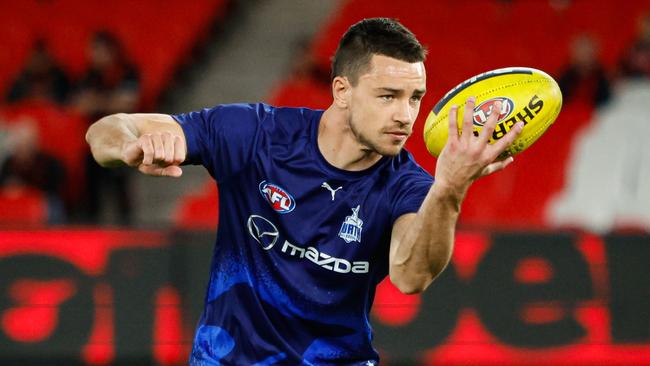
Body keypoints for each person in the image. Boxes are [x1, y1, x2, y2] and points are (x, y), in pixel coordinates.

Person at [86, 18, 522, 365]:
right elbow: (105, 130)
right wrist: (130, 146)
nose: (406, 116)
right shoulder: (256, 134)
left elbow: (411, 278)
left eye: (415, 98)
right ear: (342, 91)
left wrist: (449, 188)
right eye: (388, 96)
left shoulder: (408, 185)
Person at [75, 31, 141, 224]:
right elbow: (79, 105)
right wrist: (111, 101)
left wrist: (96, 102)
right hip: (94, 141)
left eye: (97, 50)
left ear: (110, 51)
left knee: (121, 194)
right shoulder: (88, 75)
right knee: (92, 194)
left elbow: (127, 103)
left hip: (123, 140)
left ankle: (127, 233)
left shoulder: (127, 72)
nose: (93, 54)